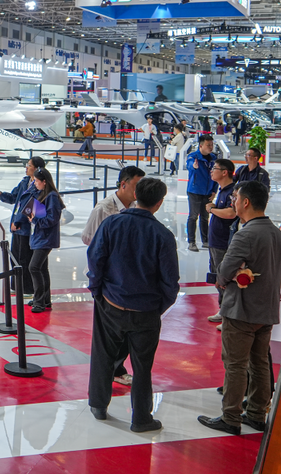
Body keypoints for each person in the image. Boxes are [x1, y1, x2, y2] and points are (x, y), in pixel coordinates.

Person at [87, 178, 179, 432]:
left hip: (110, 304)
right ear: (159, 203)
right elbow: (171, 282)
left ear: (136, 194)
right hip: (146, 311)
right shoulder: (163, 235)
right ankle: (141, 418)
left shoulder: (112, 223)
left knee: (103, 356)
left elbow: (95, 260)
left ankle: (98, 404)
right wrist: (157, 307)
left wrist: (98, 292)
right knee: (142, 366)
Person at [198, 181, 281, 435]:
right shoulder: (277, 234)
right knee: (259, 362)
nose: (232, 202)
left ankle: (231, 417)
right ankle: (258, 414)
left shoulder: (246, 234)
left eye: (235, 198)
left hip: (242, 311)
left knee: (236, 364)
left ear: (246, 202)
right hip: (267, 309)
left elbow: (224, 271)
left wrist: (225, 279)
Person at [81, 165, 146, 387]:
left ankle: (116, 368)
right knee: (107, 333)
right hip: (107, 279)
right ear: (123, 184)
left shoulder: (138, 206)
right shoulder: (104, 208)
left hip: (128, 279)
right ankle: (108, 374)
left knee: (127, 331)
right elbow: (88, 239)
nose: (139, 191)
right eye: (136, 186)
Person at [0, 157, 46, 278]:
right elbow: (15, 198)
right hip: (18, 226)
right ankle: (17, 286)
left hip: (27, 227)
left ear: (36, 169)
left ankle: (26, 288)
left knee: (25, 258)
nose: (26, 167)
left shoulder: (39, 186)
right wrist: (1, 195)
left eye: (29, 165)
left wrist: (18, 221)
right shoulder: (25, 182)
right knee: (15, 257)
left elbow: (29, 206)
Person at [27, 168, 64, 313]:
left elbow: (52, 219)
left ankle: (39, 302)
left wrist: (35, 219)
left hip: (45, 238)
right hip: (40, 237)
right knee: (41, 268)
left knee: (34, 267)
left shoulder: (52, 196)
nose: (34, 183)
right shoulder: (43, 194)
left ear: (44, 182)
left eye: (36, 181)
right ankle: (44, 300)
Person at [204, 159, 236, 328]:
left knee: (224, 278)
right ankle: (222, 310)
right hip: (215, 241)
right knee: (217, 276)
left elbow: (231, 213)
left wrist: (212, 209)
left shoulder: (233, 191)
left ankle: (229, 314)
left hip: (223, 242)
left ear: (225, 172)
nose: (212, 171)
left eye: (215, 169)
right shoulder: (221, 189)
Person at [185, 134, 217, 252]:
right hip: (195, 191)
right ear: (201, 146)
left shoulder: (213, 158)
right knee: (193, 216)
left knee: (205, 217)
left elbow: (215, 176)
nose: (210, 147)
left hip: (208, 192)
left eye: (212, 145)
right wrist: (194, 167)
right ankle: (191, 242)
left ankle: (205, 240)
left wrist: (214, 191)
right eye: (208, 145)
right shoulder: (193, 157)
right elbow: (190, 166)